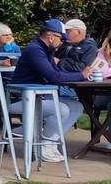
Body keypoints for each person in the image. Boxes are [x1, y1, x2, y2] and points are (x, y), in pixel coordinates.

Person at [8, 18, 93, 162]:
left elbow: (56, 74)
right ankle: (44, 146)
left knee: (77, 107)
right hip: (22, 99)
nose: (62, 42)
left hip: (38, 97)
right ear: (51, 36)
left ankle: (50, 143)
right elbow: (53, 76)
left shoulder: (47, 50)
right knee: (62, 110)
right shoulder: (35, 50)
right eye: (61, 38)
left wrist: (80, 76)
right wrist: (81, 75)